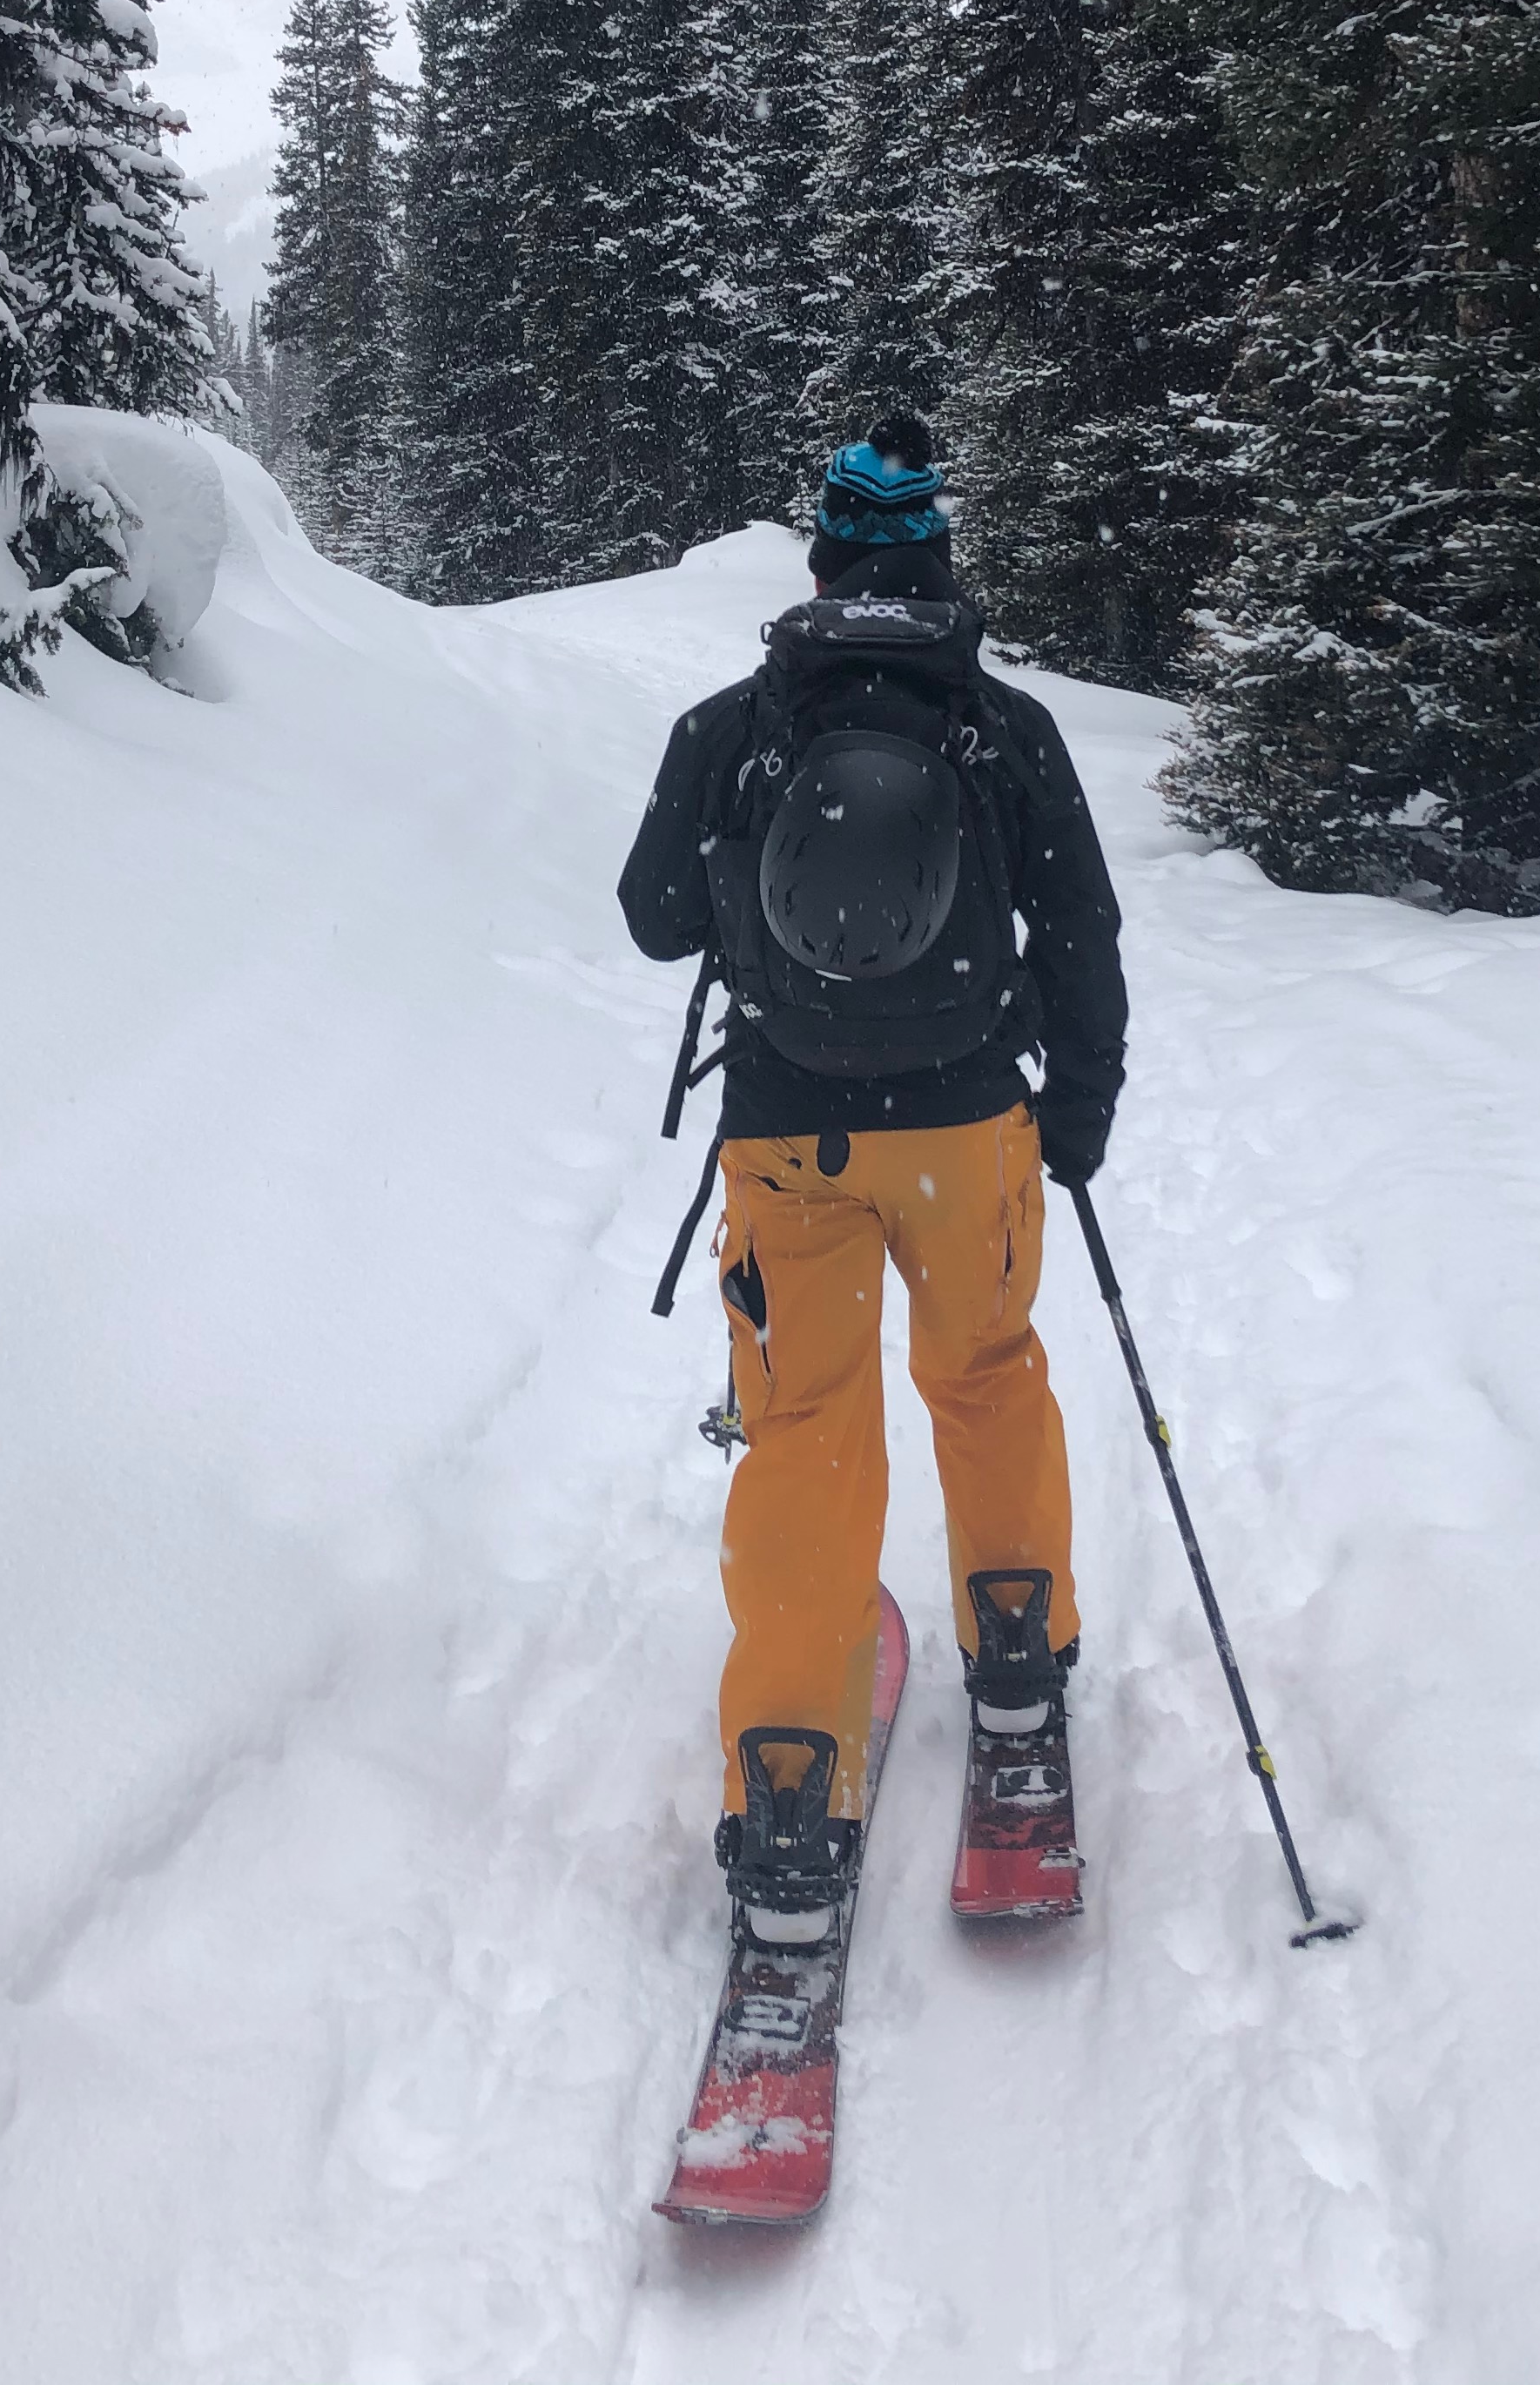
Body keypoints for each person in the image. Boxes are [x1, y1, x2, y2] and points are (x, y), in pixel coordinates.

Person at [617, 414, 1127, 1939]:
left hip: (791, 1138)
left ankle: (785, 1799)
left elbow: (651, 918)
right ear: (940, 556)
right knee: (985, 1379)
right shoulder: (1005, 727)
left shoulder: (736, 722)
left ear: (826, 554)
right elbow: (1085, 936)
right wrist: (1079, 1118)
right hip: (971, 1130)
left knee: (805, 1438)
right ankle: (1022, 1685)